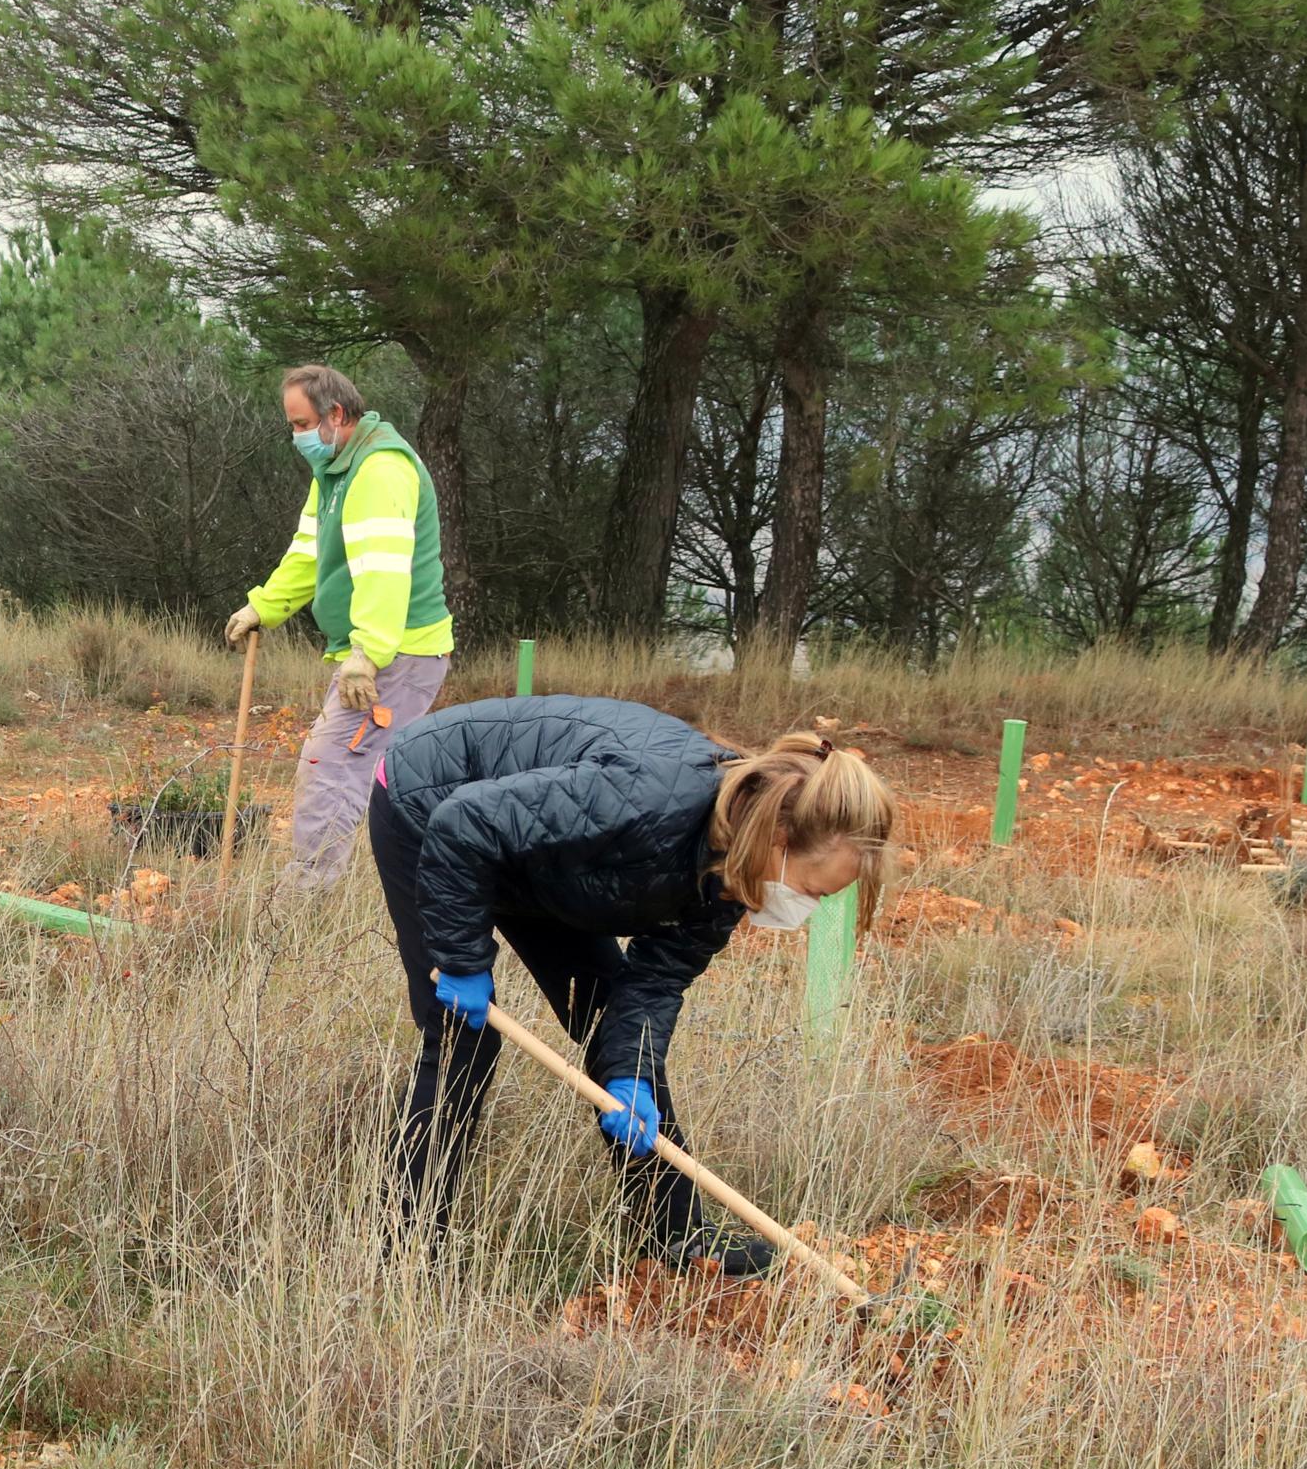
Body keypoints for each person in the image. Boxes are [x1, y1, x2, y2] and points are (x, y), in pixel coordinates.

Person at [369, 700, 893, 1271]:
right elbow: (465, 823)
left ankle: (678, 1238)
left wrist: (632, 1072)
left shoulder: (732, 876)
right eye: (814, 890)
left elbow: (655, 980)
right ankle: (405, 1243)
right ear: (781, 838)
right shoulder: (646, 801)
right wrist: (463, 959)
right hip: (429, 804)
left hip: (543, 854)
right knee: (466, 1037)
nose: (809, 908)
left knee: (612, 1030)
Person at [223, 364, 455, 885]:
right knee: (380, 774)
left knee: (330, 764)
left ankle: (307, 898)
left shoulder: (378, 470)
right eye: (292, 426)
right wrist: (264, 606)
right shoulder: (335, 471)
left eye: (302, 424)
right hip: (385, 650)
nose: (296, 437)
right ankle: (425, 882)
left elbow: (383, 570)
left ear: (336, 415)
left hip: (399, 655)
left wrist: (367, 654)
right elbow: (309, 551)